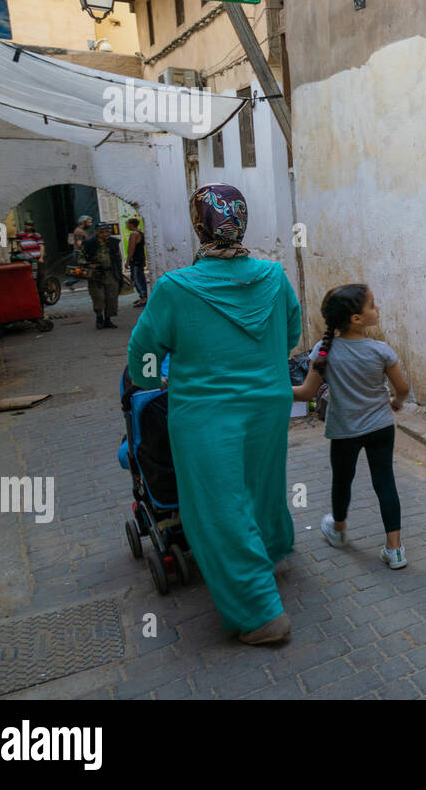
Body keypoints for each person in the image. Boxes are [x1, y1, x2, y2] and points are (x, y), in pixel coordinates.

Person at [127, 183, 301, 645]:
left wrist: (151, 383)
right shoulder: (274, 276)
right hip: (269, 401)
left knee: (217, 508)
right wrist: (258, 365)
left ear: (198, 224)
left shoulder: (174, 288)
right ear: (243, 221)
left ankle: (260, 613)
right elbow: (291, 334)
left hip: (206, 414)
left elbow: (144, 353)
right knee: (262, 484)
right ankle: (275, 554)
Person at [292, 284, 410, 568]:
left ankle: (339, 530)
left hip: (345, 430)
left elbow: (307, 393)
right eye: (373, 305)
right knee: (385, 482)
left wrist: (272, 388)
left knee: (342, 480)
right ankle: (394, 549)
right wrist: (395, 402)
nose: (377, 309)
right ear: (356, 318)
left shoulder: (324, 351)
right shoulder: (381, 351)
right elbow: (403, 388)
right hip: (381, 426)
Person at [81, 222, 123, 329]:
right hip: (95, 274)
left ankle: (108, 319)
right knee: (98, 296)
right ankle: (99, 317)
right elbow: (80, 258)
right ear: (97, 232)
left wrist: (119, 271)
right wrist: (89, 264)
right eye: (102, 232)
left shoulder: (114, 242)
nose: (105, 234)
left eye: (107, 231)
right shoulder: (88, 243)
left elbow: (118, 257)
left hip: (111, 273)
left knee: (112, 297)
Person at [126, 217, 149, 307]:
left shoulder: (134, 234)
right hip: (140, 259)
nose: (127, 226)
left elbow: (131, 248)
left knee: (136, 278)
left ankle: (143, 297)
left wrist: (127, 261)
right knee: (140, 277)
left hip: (135, 260)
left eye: (128, 224)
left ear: (131, 224)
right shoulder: (141, 233)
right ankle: (143, 296)